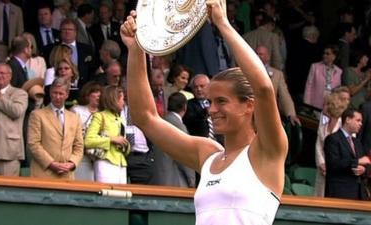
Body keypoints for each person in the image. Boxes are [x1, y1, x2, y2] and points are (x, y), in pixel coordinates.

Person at [121, 0, 288, 223]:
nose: (212, 109)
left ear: (250, 104)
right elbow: (146, 117)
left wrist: (222, 23)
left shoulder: (268, 151)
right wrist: (136, 49)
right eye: (210, 101)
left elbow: (264, 88)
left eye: (221, 101)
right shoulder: (207, 153)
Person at [27, 77, 84, 180]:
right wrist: (51, 163)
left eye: (61, 94)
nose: (57, 97)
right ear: (50, 93)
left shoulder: (75, 118)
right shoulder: (37, 115)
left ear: (67, 95)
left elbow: (79, 146)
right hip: (43, 173)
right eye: (55, 93)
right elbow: (33, 144)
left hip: (67, 175)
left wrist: (72, 163)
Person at [84, 85, 130, 184]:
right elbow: (88, 141)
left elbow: (124, 142)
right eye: (122, 99)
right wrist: (112, 139)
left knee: (122, 197)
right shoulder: (100, 116)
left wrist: (125, 146)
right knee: (107, 196)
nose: (124, 103)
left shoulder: (121, 119)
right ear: (114, 99)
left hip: (121, 163)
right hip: (105, 162)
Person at [150, 92, 196, 187]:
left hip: (158, 178)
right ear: (184, 107)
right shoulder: (178, 126)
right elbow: (185, 156)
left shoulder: (160, 122)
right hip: (175, 181)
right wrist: (191, 181)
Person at [324, 108, 371, 200]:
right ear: (348, 120)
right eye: (358, 120)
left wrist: (363, 170)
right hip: (340, 193)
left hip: (358, 194)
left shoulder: (357, 142)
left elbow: (366, 164)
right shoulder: (333, 139)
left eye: (361, 121)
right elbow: (333, 164)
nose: (361, 124)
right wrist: (357, 161)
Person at [314, 92, 349, 197]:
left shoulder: (343, 127)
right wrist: (321, 164)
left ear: (331, 106)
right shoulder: (322, 127)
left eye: (325, 104)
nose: (323, 106)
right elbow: (318, 148)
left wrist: (330, 166)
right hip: (322, 171)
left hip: (337, 173)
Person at [71, 81, 102, 181]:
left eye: (100, 93)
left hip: (98, 157)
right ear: (87, 95)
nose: (98, 96)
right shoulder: (77, 110)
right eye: (95, 92)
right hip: (82, 156)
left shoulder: (103, 113)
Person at [304, 45, 342, 110]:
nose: (324, 55)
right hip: (314, 104)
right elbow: (308, 86)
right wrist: (306, 104)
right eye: (324, 53)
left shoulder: (339, 71)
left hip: (329, 106)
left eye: (327, 54)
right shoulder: (315, 67)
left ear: (334, 57)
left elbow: (337, 91)